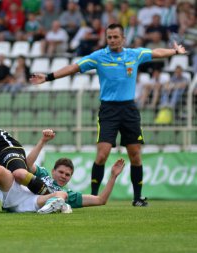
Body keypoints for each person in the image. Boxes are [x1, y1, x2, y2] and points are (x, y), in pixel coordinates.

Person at [30, 23, 187, 207]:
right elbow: (74, 67)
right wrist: (48, 77)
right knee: (102, 154)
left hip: (129, 110)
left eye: (115, 37)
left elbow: (156, 52)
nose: (112, 40)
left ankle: (137, 198)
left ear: (123, 38)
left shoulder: (133, 54)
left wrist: (174, 51)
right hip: (108, 110)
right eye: (109, 37)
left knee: (135, 154)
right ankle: (95, 197)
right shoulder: (98, 57)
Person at [0, 129, 125, 214]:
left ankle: (53, 204)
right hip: (15, 193)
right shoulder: (42, 174)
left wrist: (113, 176)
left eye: (68, 175)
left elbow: (101, 200)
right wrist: (43, 141)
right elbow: (25, 164)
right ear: (53, 171)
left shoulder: (69, 192)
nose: (64, 176)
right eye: (61, 172)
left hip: (34, 203)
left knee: (62, 193)